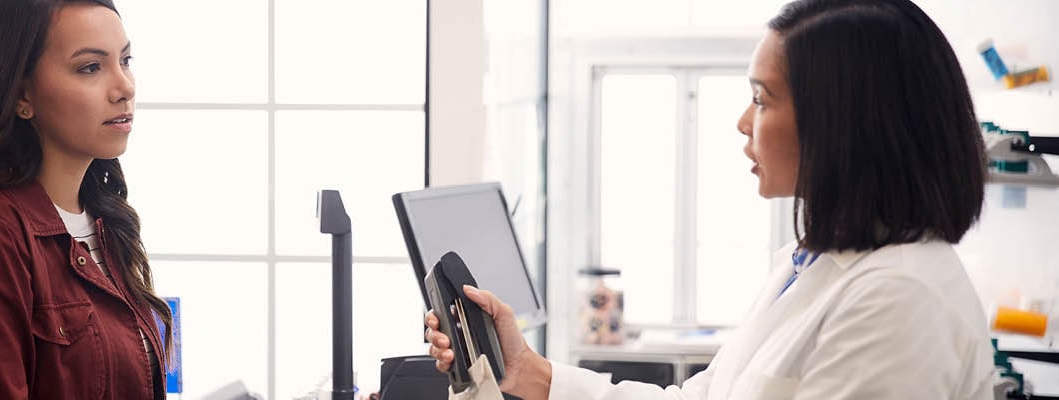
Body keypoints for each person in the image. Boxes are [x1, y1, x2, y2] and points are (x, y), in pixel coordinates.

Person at [426, 0, 996, 398]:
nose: (743, 122)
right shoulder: (810, 268)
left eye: (762, 99)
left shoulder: (899, 301)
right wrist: (529, 371)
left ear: (844, 123)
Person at [0, 1, 171, 398]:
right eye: (90, 67)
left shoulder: (101, 217)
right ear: (19, 94)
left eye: (125, 60)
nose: (125, 87)